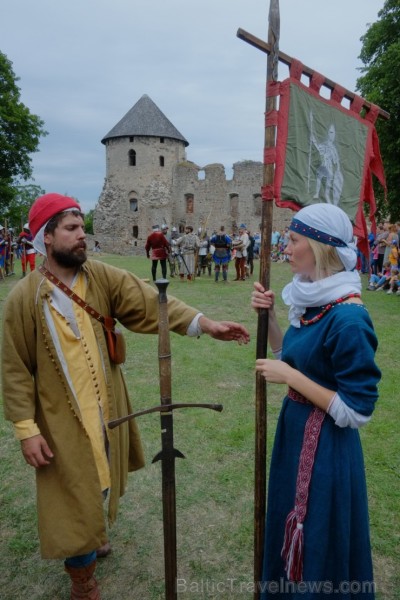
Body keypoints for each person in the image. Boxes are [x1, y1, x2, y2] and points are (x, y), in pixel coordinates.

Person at [1, 193, 250, 600]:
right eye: (72, 228)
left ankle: (92, 531)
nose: (83, 235)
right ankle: (83, 579)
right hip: (59, 416)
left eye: (83, 226)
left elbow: (150, 301)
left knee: (98, 479)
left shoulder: (98, 278)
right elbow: (14, 368)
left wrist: (206, 323)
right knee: (72, 493)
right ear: (46, 237)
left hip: (105, 407)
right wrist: (27, 429)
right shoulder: (23, 298)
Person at [251, 203, 380, 598]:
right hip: (296, 432)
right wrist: (271, 318)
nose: (285, 248)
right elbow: (290, 354)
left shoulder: (349, 319)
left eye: (293, 240)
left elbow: (357, 410)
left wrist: (290, 378)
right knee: (288, 522)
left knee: (318, 535)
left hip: (326, 449)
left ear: (321, 247)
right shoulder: (314, 302)